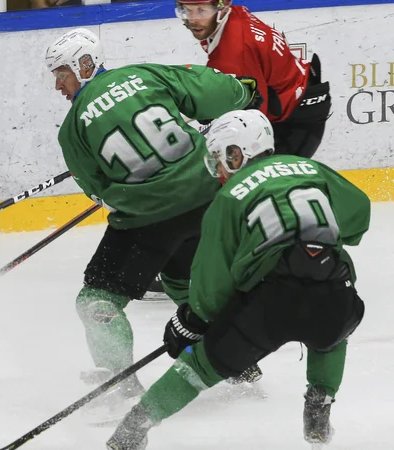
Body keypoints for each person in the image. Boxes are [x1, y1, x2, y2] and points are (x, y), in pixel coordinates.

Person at [107, 109, 368, 449]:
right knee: (332, 332)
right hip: (334, 293)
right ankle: (320, 398)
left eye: (221, 157)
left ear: (239, 151)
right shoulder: (312, 169)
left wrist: (193, 320)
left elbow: (212, 276)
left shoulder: (229, 197)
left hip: (268, 304)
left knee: (198, 367)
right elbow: (359, 213)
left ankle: (134, 428)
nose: (218, 169)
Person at [45, 28, 262, 416]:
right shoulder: (146, 75)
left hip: (149, 217)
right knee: (185, 282)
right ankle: (234, 359)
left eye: (61, 73)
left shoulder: (73, 128)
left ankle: (121, 382)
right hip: (209, 197)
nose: (58, 85)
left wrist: (131, 194)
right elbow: (217, 92)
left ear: (85, 64)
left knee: (97, 300)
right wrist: (244, 92)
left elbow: (99, 193)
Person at [175, 0, 331, 159]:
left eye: (201, 11)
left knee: (248, 173)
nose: (193, 19)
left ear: (222, 8)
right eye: (187, 10)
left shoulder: (235, 54)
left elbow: (252, 124)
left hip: (295, 120)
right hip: (296, 95)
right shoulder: (234, 16)